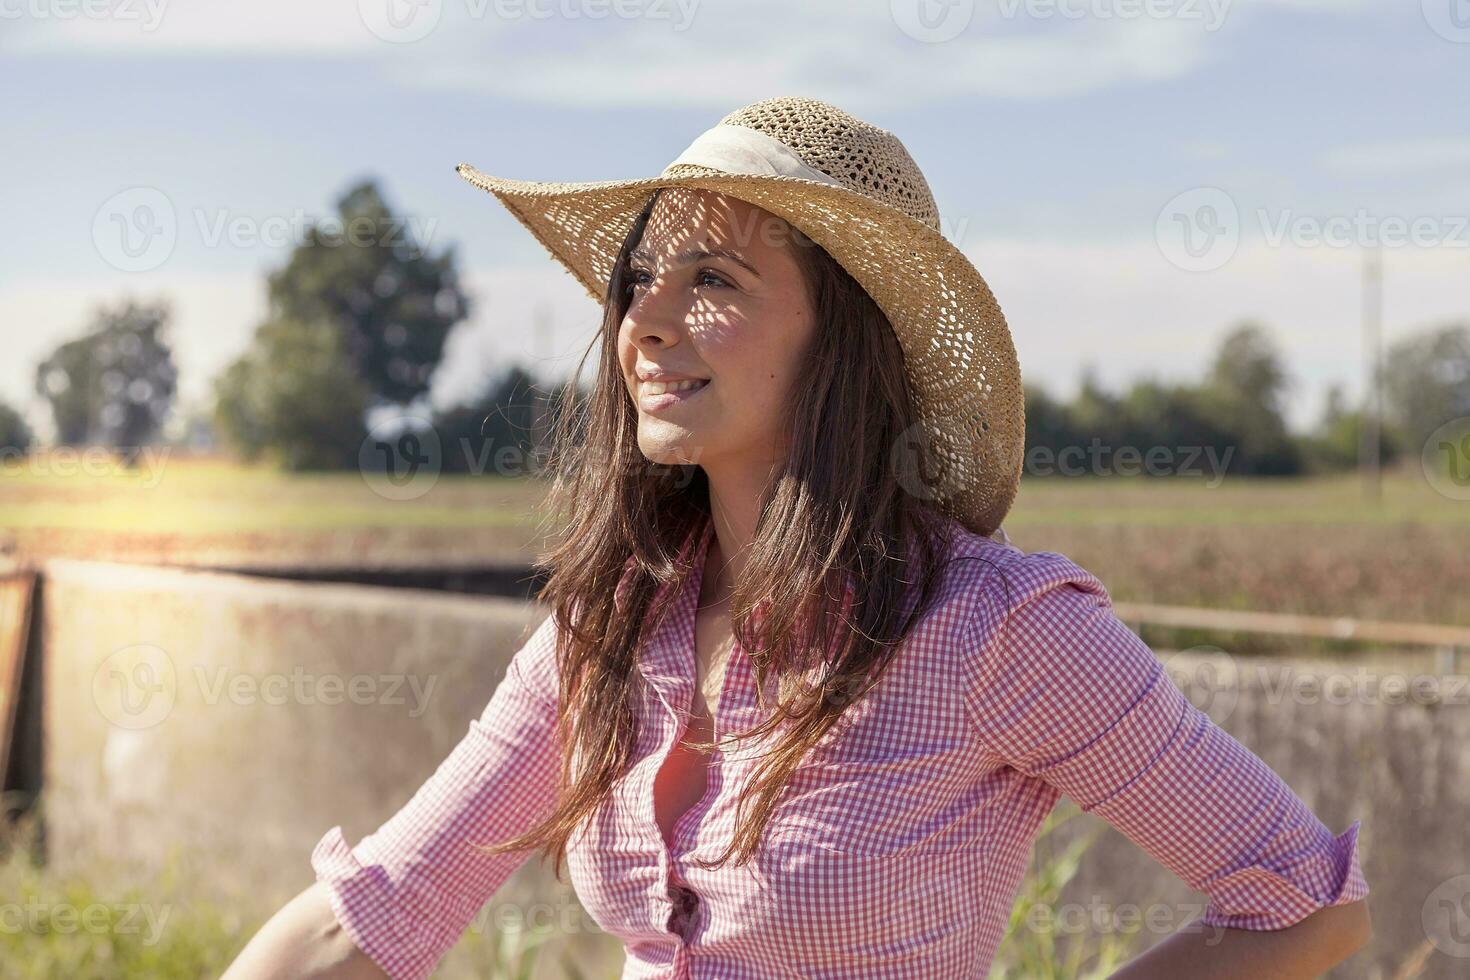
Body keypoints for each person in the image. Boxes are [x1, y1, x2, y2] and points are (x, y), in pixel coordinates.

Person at [222, 96, 1370, 980]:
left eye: (713, 276)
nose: (647, 320)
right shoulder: (609, 631)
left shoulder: (995, 628)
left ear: (843, 342)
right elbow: (375, 910)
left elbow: (1311, 903)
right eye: (637, 280)